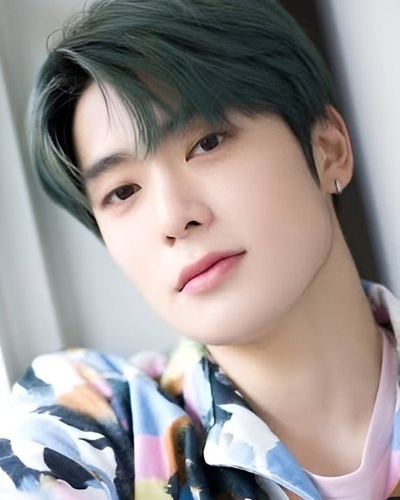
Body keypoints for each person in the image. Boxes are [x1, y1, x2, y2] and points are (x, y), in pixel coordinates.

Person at [0, 0, 399, 498]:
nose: (174, 218)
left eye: (207, 143)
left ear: (328, 149)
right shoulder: (95, 429)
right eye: (123, 192)